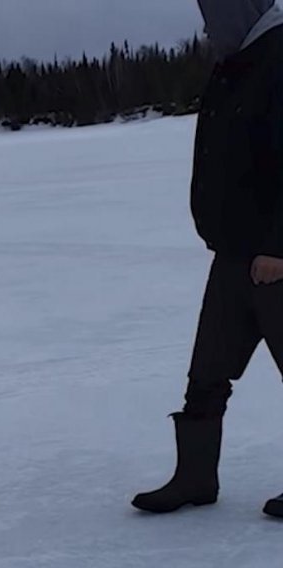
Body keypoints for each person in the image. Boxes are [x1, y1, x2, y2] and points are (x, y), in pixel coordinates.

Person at [131, 0, 283, 518]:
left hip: (273, 258)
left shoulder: (279, 57)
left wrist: (277, 246)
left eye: (211, 17)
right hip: (233, 253)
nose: (206, 28)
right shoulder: (234, 64)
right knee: (207, 374)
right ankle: (195, 477)